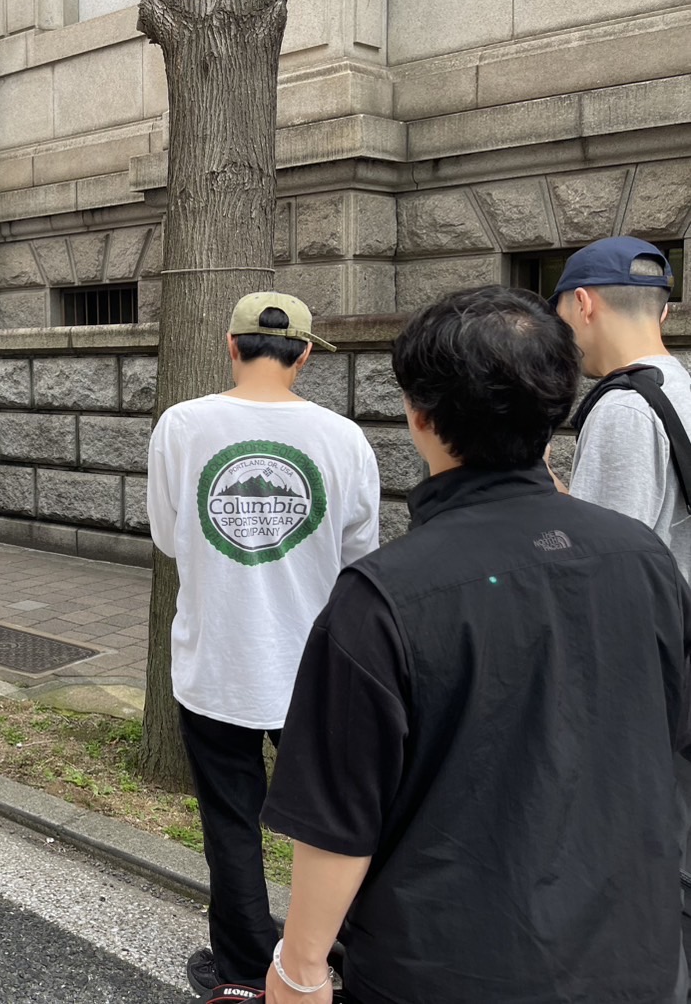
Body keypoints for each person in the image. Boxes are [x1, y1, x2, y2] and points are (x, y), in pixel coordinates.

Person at [262, 286, 690, 1004]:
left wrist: (298, 971)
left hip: (447, 964)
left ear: (417, 413)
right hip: (637, 951)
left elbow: (339, 824)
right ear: (554, 411)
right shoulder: (641, 555)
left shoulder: (380, 597)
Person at [146, 292, 380, 1001]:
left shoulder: (181, 426)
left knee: (229, 820)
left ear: (230, 345)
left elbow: (165, 534)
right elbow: (359, 551)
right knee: (335, 818)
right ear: (304, 354)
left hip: (215, 659)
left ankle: (245, 966)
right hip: (314, 663)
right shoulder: (343, 437)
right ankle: (341, 950)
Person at [551, 235, 691, 991]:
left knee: (647, 867)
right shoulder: (681, 386)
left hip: (650, 683)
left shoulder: (622, 407)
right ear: (661, 309)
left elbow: (607, 571)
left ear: (583, 303)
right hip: (682, 660)